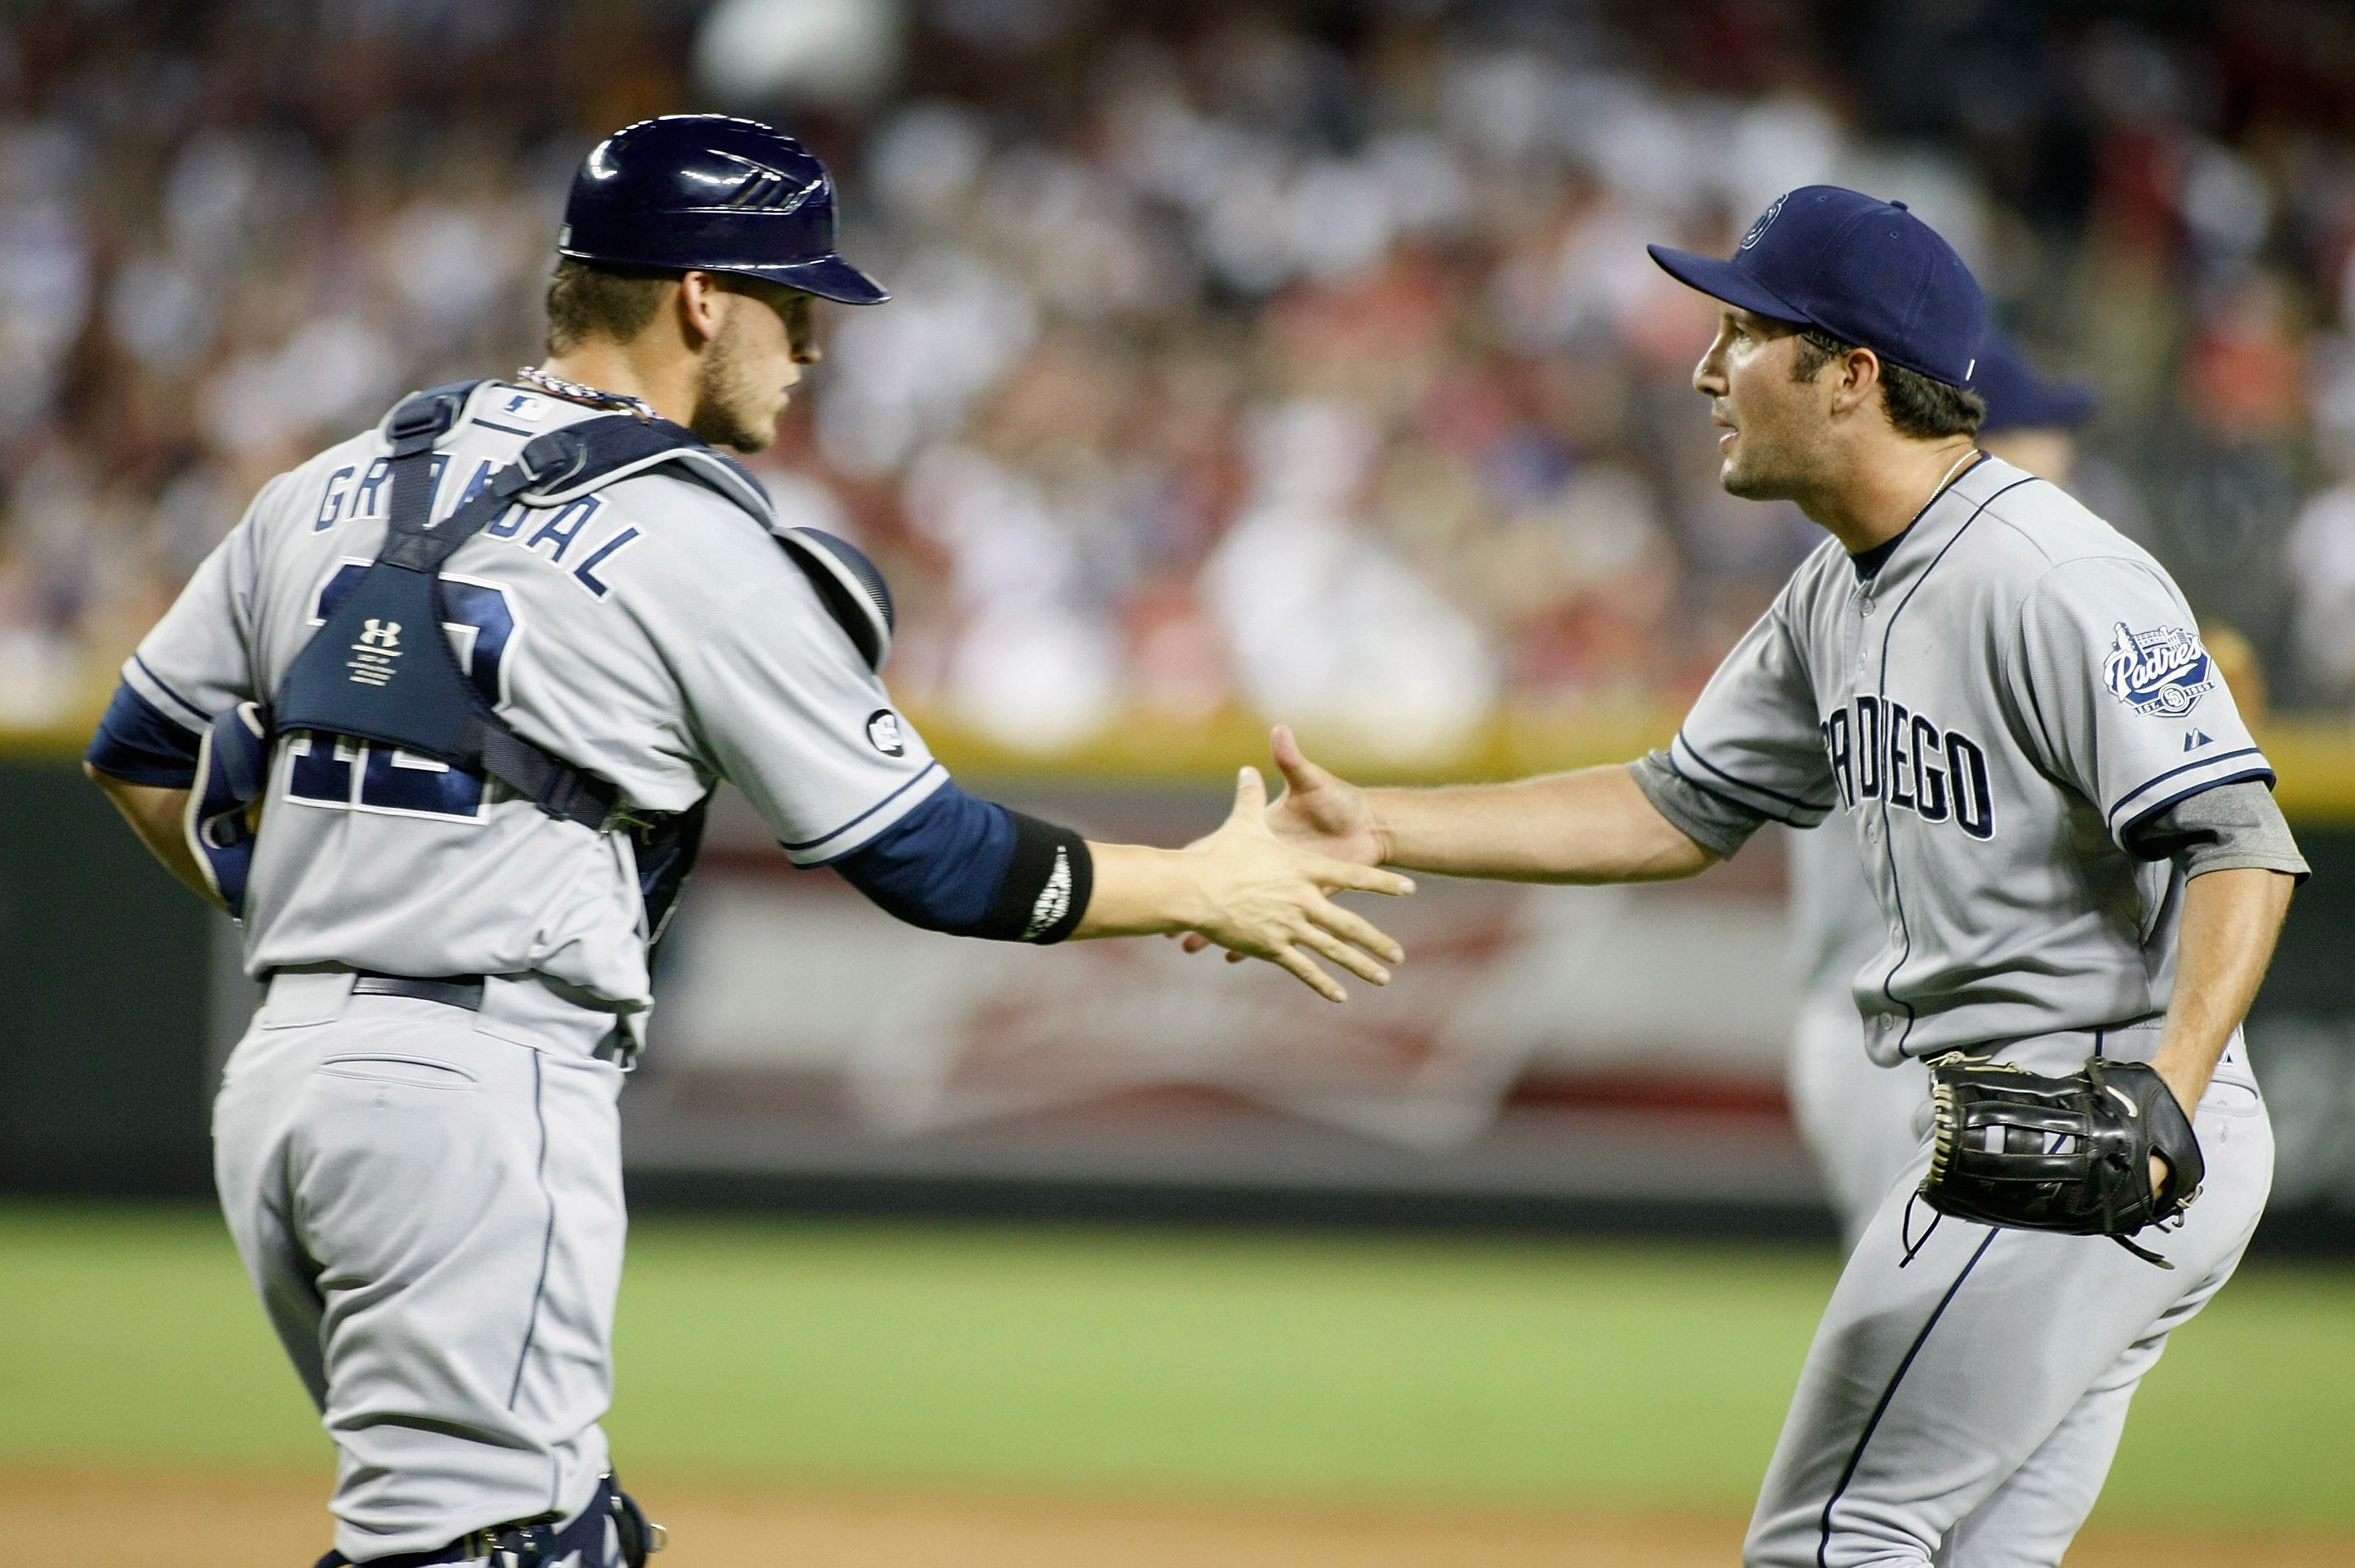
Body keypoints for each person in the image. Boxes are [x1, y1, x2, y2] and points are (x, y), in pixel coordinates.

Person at [81, 115, 1412, 1568]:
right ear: (701, 299)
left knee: (550, 1529)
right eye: (793, 302)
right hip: (472, 1092)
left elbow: (142, 752)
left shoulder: (341, 478)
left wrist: (334, 914)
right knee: (490, 1549)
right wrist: (1200, 881)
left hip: (282, 1084)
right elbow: (931, 857)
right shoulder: (693, 538)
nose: (812, 346)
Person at [1240, 187, 2307, 1566]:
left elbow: (2237, 838)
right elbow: (1669, 807)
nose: (1701, 369)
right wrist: (1378, 825)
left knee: (1830, 1539)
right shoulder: (1835, 587)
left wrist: (2165, 1083)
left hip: (2090, 1118)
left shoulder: (2049, 574)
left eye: (1744, 332)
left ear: (1850, 375)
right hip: (2054, 1122)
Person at [1784, 331, 2100, 1251]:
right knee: (1927, 1333)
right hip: (1895, 1035)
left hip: (1942, 1028)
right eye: (2042, 428)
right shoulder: (1906, 595)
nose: (2064, 455)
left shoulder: (1985, 584)